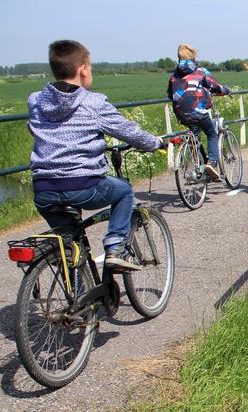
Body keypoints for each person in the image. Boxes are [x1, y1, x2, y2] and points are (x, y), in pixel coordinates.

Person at [28, 40, 165, 272]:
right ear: (83, 69)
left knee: (70, 246)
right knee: (124, 190)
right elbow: (129, 131)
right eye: (90, 67)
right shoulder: (93, 102)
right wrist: (155, 143)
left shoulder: (36, 101)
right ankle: (114, 246)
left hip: (43, 189)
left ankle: (79, 300)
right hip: (83, 185)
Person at [167, 43, 231, 180]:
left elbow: (169, 94)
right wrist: (226, 90)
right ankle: (212, 164)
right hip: (198, 111)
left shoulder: (174, 76)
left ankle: (199, 165)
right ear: (193, 56)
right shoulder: (201, 71)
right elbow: (215, 87)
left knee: (195, 136)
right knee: (212, 133)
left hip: (180, 113)